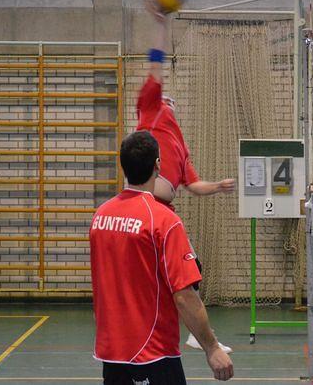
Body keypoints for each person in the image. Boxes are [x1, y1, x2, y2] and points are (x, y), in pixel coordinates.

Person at [90, 131, 233, 384]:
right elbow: (185, 297)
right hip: (153, 354)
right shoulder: (164, 221)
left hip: (111, 353)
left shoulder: (101, 216)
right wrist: (212, 347)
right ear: (157, 165)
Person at [136, 0, 235, 353]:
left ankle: (195, 332)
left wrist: (220, 186)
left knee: (189, 271)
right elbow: (157, 65)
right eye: (166, 100)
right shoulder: (150, 113)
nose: (169, 103)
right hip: (143, 207)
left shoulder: (179, 146)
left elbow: (193, 185)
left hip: (164, 214)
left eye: (172, 102)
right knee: (164, 277)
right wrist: (162, 25)